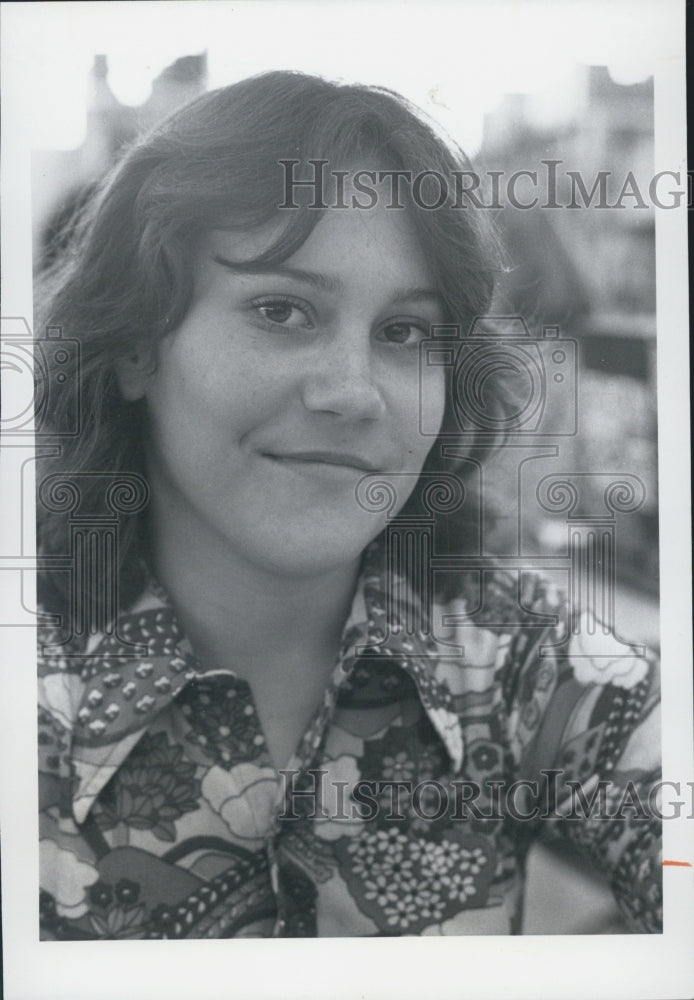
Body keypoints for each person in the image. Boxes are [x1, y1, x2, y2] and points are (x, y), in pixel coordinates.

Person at [36, 70, 661, 939]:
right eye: (282, 310)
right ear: (137, 345)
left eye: (405, 332)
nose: (352, 392)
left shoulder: (520, 659)